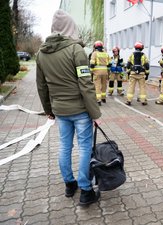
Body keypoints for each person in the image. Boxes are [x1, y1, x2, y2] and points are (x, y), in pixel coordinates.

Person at [36, 9, 101, 206]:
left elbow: (41, 86)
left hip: (60, 111)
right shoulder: (76, 50)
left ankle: (69, 184)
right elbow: (86, 84)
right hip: (80, 111)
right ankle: (86, 191)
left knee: (64, 147)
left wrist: (48, 110)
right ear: (70, 28)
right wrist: (95, 113)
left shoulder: (41, 54)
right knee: (83, 148)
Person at [125, 41, 150, 106]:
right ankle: (143, 100)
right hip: (141, 74)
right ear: (142, 48)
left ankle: (129, 100)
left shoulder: (132, 55)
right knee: (142, 87)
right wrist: (147, 74)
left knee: (131, 87)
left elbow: (128, 65)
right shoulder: (144, 55)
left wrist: (128, 73)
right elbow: (147, 66)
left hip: (133, 74)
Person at [90, 41, 110, 105]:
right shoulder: (106, 53)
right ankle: (103, 98)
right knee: (104, 84)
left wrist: (91, 71)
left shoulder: (94, 53)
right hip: (105, 71)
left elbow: (92, 64)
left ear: (95, 46)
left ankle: (98, 99)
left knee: (97, 85)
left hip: (97, 72)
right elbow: (109, 64)